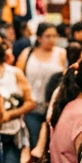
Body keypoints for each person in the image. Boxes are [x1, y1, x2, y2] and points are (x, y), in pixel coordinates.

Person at [17, 22, 68, 150]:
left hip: (53, 107)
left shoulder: (61, 53)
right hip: (32, 108)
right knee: (35, 143)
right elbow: (18, 77)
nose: (52, 40)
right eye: (48, 36)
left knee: (52, 145)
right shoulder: (27, 54)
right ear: (39, 38)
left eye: (54, 36)